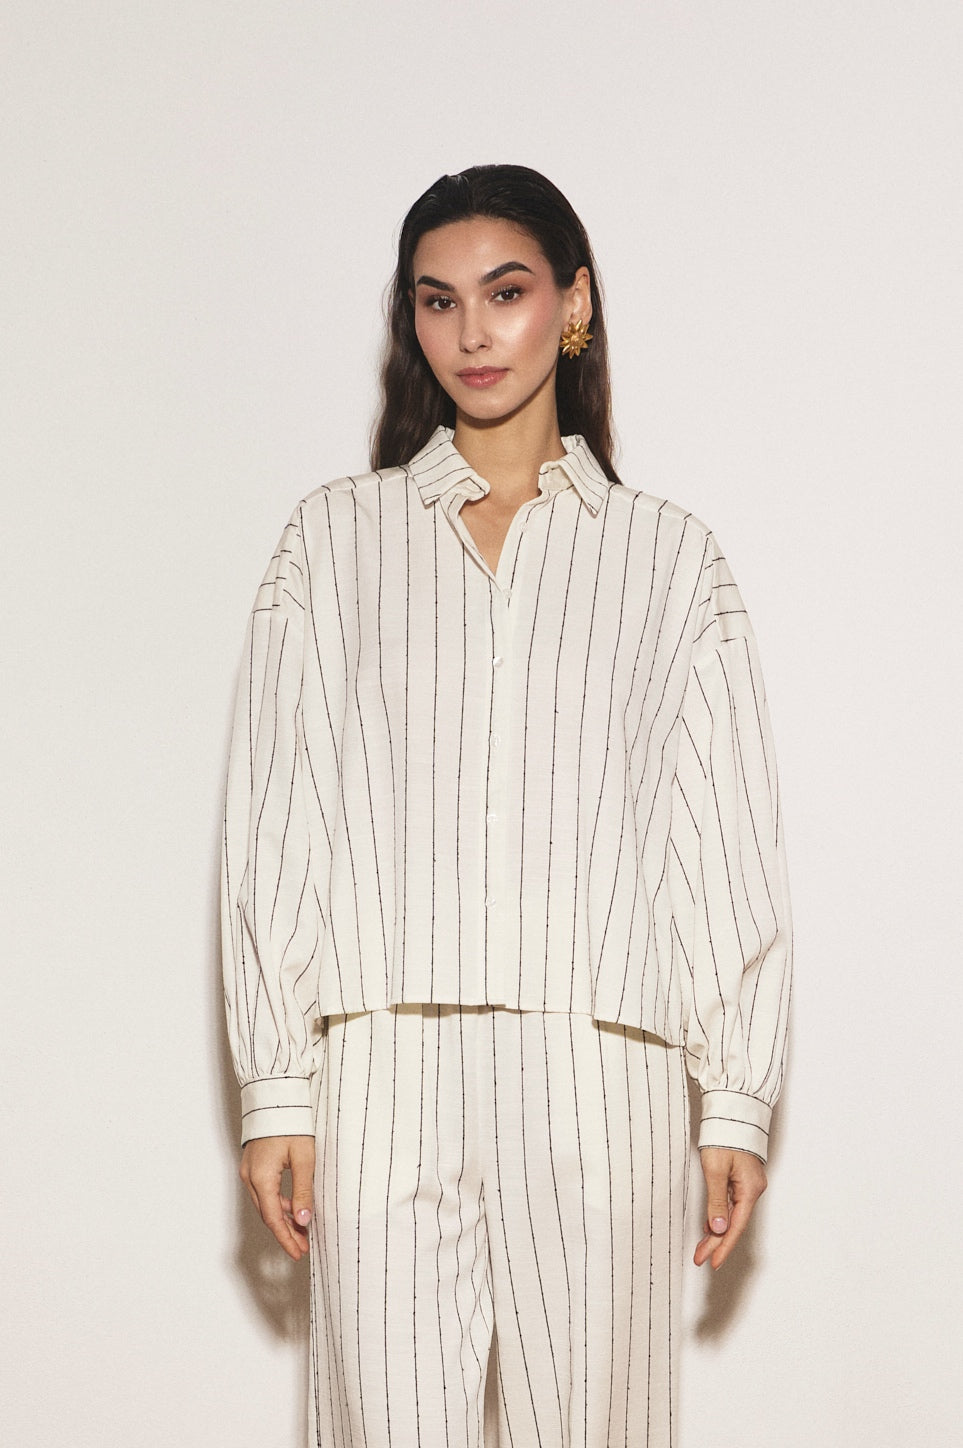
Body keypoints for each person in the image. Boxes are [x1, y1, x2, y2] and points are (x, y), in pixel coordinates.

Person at [221, 164, 791, 1448]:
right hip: (380, 1062)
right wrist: (276, 1087)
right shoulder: (334, 540)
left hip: (602, 1065)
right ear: (411, 323)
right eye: (437, 300)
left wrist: (736, 1095)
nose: (472, 331)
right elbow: (279, 815)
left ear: (572, 305)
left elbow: (723, 839)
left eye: (508, 291)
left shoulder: (669, 559)